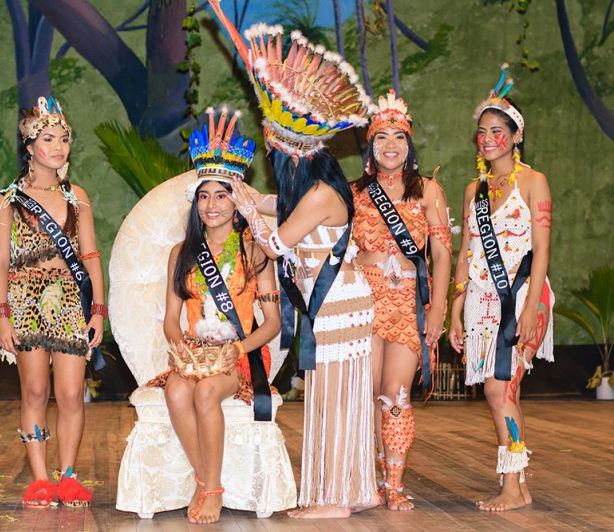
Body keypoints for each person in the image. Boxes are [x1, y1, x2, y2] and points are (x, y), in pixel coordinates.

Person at [208, 0, 380, 518]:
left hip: (339, 307)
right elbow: (276, 208)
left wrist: (242, 203)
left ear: (290, 154)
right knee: (341, 400)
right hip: (336, 306)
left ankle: (333, 499)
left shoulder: (321, 195)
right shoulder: (315, 188)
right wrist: (247, 195)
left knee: (333, 401)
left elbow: (276, 242)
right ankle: (358, 489)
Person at [145, 107, 280, 524]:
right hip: (193, 351)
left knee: (205, 394)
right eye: (204, 195)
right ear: (194, 203)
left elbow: (272, 323)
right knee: (176, 391)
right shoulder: (179, 254)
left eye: (222, 194)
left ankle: (214, 488)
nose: (212, 205)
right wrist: (182, 349)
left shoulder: (255, 251)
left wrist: (235, 348)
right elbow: (171, 318)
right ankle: (204, 481)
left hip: (239, 354)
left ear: (236, 201)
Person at [0, 97, 106, 508]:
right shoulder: (7, 200)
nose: (58, 147)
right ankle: (40, 479)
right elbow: (0, 261)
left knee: (72, 393)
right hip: (24, 302)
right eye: (49, 138)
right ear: (29, 145)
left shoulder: (78, 196)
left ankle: (68, 475)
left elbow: (90, 254)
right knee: (35, 390)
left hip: (72, 301)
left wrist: (98, 310)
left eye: (64, 139)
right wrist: (1, 317)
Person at [449, 65, 554, 512]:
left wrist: (530, 308)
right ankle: (518, 485)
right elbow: (464, 253)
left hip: (523, 297)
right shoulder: (473, 189)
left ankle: (512, 486)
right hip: (479, 303)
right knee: (498, 391)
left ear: (515, 136)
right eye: (482, 131)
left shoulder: (534, 182)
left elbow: (543, 253)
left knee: (500, 390)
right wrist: (455, 310)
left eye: (497, 130)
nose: (488, 137)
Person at [351, 90, 452, 510]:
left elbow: (443, 254)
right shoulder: (354, 191)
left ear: (409, 145)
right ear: (370, 146)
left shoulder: (429, 190)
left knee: (396, 394)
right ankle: (367, 477)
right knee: (368, 391)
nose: (390, 145)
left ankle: (393, 483)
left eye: (398, 137)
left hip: (408, 304)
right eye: (380, 137)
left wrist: (439, 308)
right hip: (363, 299)